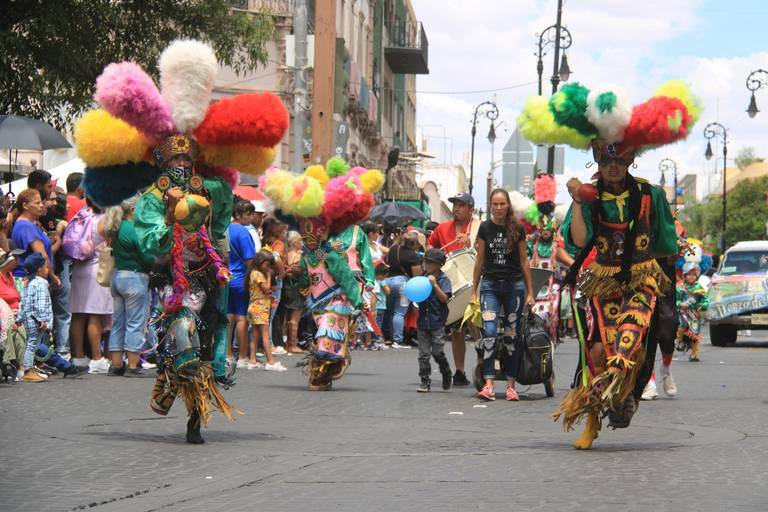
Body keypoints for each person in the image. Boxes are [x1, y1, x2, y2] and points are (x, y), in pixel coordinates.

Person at [72, 38, 288, 443]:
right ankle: (180, 375)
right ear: (162, 163)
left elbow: (221, 224)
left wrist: (205, 211)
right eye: (174, 161)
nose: (180, 167)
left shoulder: (212, 189)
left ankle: (197, 407)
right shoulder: (154, 198)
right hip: (176, 278)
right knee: (182, 332)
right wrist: (172, 218)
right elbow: (151, 241)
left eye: (186, 161)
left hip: (208, 273)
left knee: (209, 337)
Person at [259, 159, 383, 390]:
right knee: (327, 336)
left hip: (338, 299)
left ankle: (321, 371)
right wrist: (294, 273)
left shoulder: (331, 253)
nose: (309, 237)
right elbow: (307, 279)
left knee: (328, 335)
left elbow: (345, 275)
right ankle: (326, 371)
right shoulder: (310, 255)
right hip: (317, 302)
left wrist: (359, 298)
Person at [472, 189, 534, 402]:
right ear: (490, 205)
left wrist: (530, 293)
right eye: (495, 204)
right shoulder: (485, 228)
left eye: (502, 204)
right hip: (490, 286)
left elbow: (524, 261)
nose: (498, 208)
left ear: (508, 205)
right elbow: (479, 260)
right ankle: (488, 384)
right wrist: (474, 290)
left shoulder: (517, 227)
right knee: (489, 333)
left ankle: (510, 385)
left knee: (512, 335)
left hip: (514, 288)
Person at [427, 192, 478, 386]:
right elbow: (430, 246)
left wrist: (469, 244)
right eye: (454, 205)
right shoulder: (442, 228)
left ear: (470, 209)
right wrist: (434, 254)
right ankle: (460, 371)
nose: (456, 208)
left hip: (474, 281)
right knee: (457, 329)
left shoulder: (477, 227)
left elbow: (484, 251)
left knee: (476, 324)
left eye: (461, 205)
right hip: (452, 285)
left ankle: (484, 362)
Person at [106, 196, 155, 377]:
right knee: (135, 322)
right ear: (134, 210)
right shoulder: (134, 229)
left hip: (118, 276)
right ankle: (133, 364)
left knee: (118, 322)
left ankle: (116, 363)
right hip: (134, 277)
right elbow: (146, 256)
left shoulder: (117, 227)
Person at [68, 201, 113, 374]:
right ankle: (96, 358)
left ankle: (79, 357)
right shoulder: (104, 220)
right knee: (95, 315)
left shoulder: (81, 215)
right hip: (98, 269)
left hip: (80, 268)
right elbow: (112, 244)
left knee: (78, 314)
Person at [416, 248, 453, 393]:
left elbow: (445, 299)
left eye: (431, 263)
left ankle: (446, 371)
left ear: (440, 265)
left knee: (437, 352)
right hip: (422, 322)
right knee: (423, 355)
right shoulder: (422, 277)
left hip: (437, 321)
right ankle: (425, 380)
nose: (428, 265)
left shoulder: (444, 280)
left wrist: (434, 285)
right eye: (426, 262)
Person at [227, 200, 257, 366]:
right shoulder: (243, 232)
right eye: (248, 214)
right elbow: (249, 260)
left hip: (226, 277)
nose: (251, 217)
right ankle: (243, 356)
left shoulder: (225, 229)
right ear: (238, 214)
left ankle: (227, 353)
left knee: (229, 317)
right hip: (241, 278)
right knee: (241, 318)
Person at [246, 251, 286, 371]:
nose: (268, 267)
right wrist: (268, 276)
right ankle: (270, 361)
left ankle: (252, 360)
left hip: (255, 305)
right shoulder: (258, 274)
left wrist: (269, 295)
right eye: (267, 264)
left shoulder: (253, 273)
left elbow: (262, 291)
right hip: (260, 307)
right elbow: (266, 288)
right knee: (265, 335)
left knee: (255, 335)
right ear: (260, 262)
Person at [11, 189, 59, 287]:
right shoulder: (26, 226)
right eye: (37, 203)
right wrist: (52, 276)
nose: (41, 205)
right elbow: (42, 255)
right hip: (30, 280)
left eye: (41, 202)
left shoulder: (26, 224)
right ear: (25, 206)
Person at [17, 253, 52, 383]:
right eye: (46, 267)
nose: (48, 270)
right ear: (39, 269)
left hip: (29, 319)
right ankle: (28, 371)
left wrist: (18, 320)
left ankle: (30, 368)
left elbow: (23, 303)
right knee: (32, 344)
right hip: (37, 321)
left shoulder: (28, 283)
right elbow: (41, 304)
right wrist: (43, 320)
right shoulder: (41, 284)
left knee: (31, 344)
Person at [385, 231, 423, 348]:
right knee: (399, 313)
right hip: (402, 284)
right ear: (414, 244)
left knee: (389, 311)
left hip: (388, 282)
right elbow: (417, 276)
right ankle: (398, 339)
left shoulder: (394, 248)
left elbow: (387, 259)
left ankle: (389, 337)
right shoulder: (413, 255)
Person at [261, 217, 287, 353]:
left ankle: (263, 344)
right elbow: (276, 258)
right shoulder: (278, 244)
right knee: (268, 316)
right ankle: (269, 345)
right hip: (274, 282)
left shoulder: (262, 241)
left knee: (262, 314)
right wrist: (282, 272)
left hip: (261, 279)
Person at [676, 261, 709, 362]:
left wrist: (701, 305)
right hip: (682, 312)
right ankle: (679, 340)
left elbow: (706, 301)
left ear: (697, 276)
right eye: (689, 274)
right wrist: (680, 304)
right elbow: (675, 300)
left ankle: (694, 354)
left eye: (694, 275)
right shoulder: (679, 287)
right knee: (683, 325)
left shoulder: (700, 288)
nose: (691, 277)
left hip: (694, 314)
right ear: (684, 275)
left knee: (695, 334)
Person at [281, 231, 307, 354]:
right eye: (300, 241)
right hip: (297, 288)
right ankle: (292, 345)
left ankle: (285, 343)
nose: (302, 243)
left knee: (286, 316)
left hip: (286, 287)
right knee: (295, 318)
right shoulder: (298, 256)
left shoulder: (286, 254)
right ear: (295, 242)